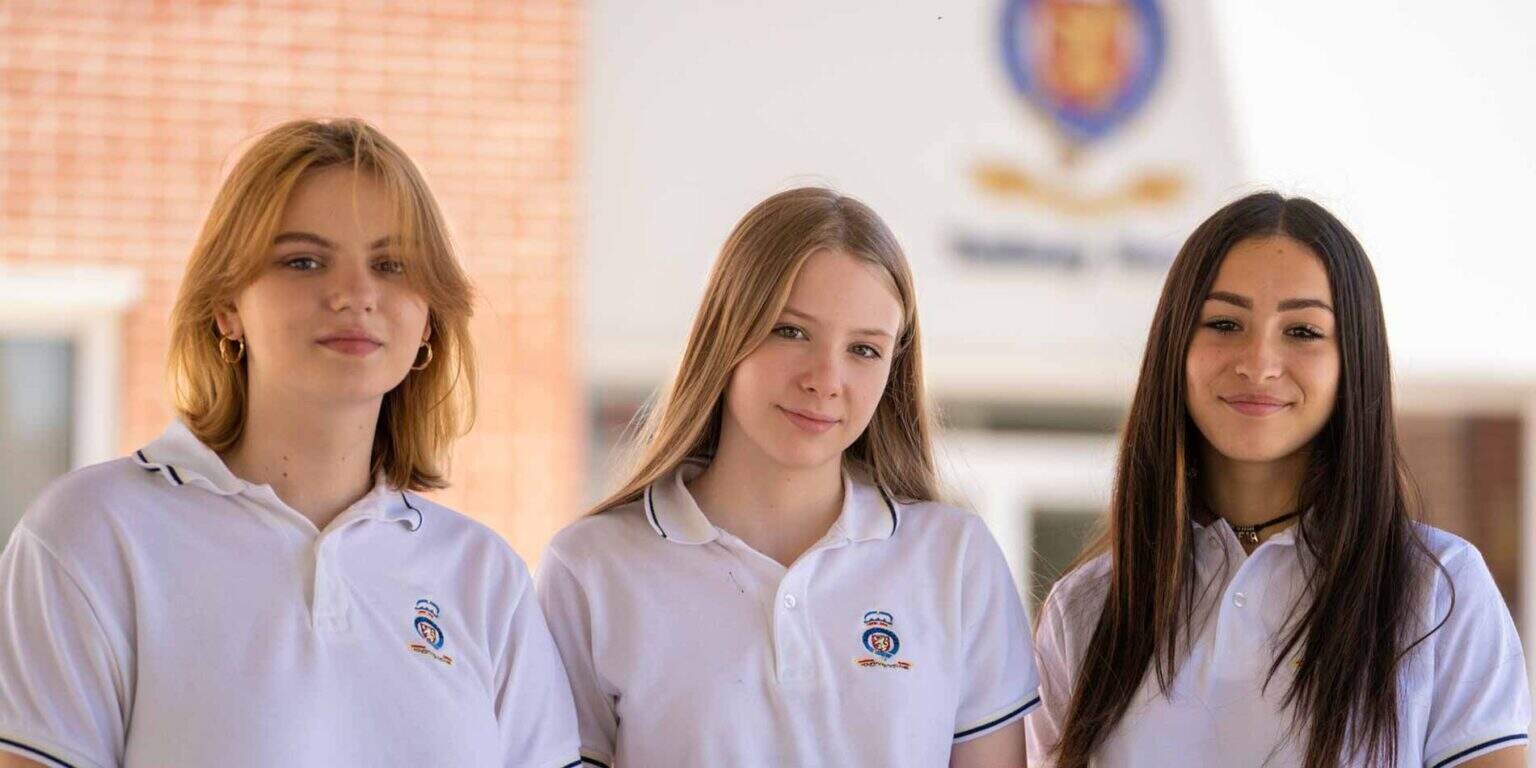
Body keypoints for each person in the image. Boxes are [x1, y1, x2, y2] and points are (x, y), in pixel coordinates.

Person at [0, 118, 581, 768]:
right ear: (227, 306)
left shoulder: (483, 576)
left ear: (427, 323)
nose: (356, 294)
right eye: (303, 261)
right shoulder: (94, 534)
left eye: (391, 265)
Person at [1024, 192, 1530, 767]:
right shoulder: (1087, 608)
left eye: (1303, 332)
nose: (1259, 362)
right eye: (1223, 323)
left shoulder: (1438, 589)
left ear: (1353, 362)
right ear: (1175, 349)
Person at [537, 187, 1038, 767]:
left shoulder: (955, 559)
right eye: (791, 331)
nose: (826, 380)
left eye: (864, 350)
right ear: (728, 330)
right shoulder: (592, 568)